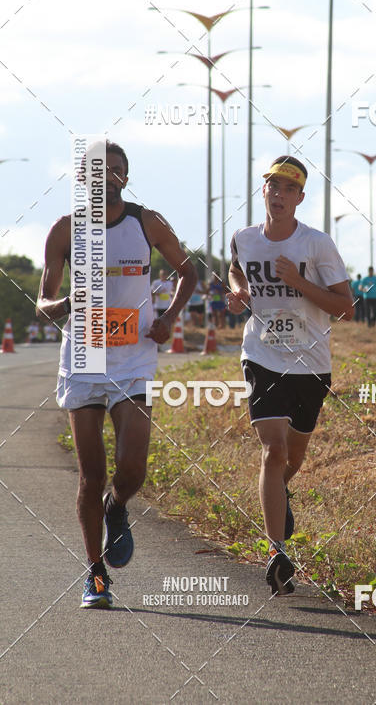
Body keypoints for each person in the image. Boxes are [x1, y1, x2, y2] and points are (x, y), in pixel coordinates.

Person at [36, 141, 197, 609]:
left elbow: (187, 272)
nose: (108, 175)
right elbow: (44, 300)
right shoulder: (65, 230)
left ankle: (119, 505)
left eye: (118, 169)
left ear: (127, 177)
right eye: (98, 169)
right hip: (84, 358)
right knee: (91, 474)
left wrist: (168, 318)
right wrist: (65, 305)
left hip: (134, 358)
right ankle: (96, 575)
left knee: (132, 469)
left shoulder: (147, 222)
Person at [227, 156, 354, 595]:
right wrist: (241, 291)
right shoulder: (243, 237)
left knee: (292, 461)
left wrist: (297, 283)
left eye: (287, 188)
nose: (278, 194)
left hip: (312, 363)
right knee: (273, 451)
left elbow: (345, 307)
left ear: (300, 198)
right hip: (262, 357)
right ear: (263, 192)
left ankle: (278, 501)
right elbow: (236, 267)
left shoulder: (316, 245)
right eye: (271, 186)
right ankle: (276, 550)